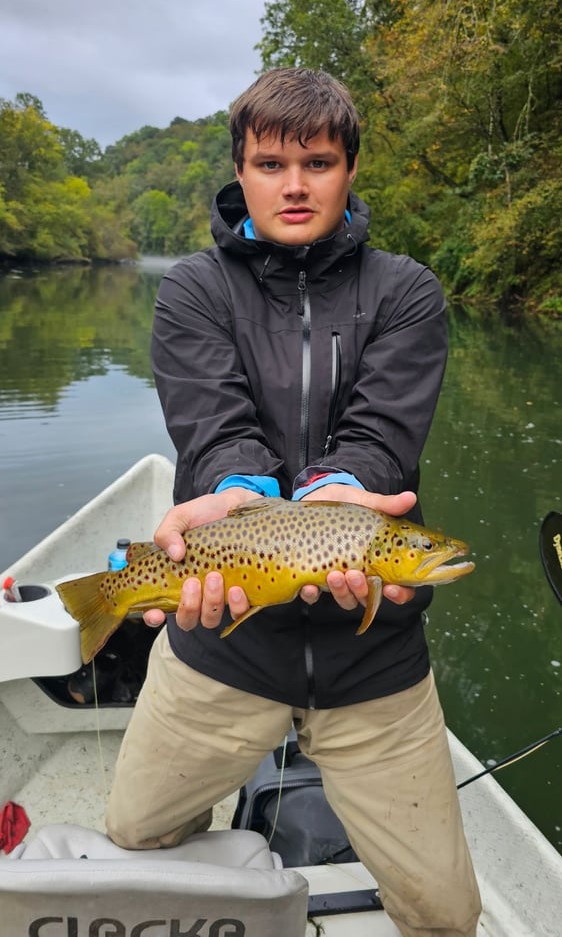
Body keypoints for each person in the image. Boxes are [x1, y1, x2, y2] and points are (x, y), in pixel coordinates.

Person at [106, 68, 481, 937]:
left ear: (350, 169)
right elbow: (214, 428)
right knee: (134, 840)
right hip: (223, 650)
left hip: (375, 665)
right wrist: (236, 494)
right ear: (240, 172)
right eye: (271, 163)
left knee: (447, 915)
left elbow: (380, 439)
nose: (296, 184)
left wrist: (345, 494)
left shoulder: (408, 291)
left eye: (318, 161)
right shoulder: (195, 288)